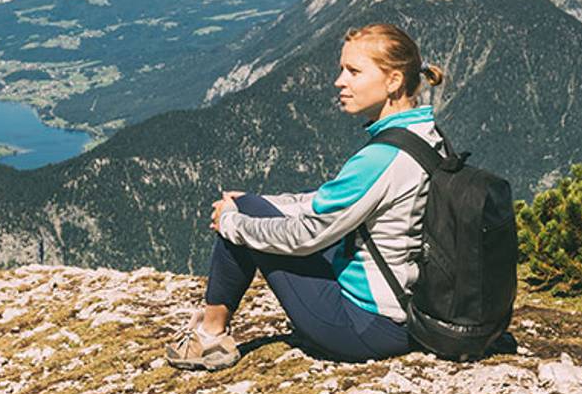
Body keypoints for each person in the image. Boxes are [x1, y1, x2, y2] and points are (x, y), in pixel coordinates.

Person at [166, 22, 446, 370]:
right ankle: (211, 329)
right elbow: (331, 203)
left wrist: (232, 223)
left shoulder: (383, 158)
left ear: (393, 81)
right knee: (250, 207)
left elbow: (307, 235)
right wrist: (268, 203)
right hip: (408, 311)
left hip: (367, 328)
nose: (340, 81)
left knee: (243, 216)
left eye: (354, 72)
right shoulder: (424, 136)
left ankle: (208, 338)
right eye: (342, 69)